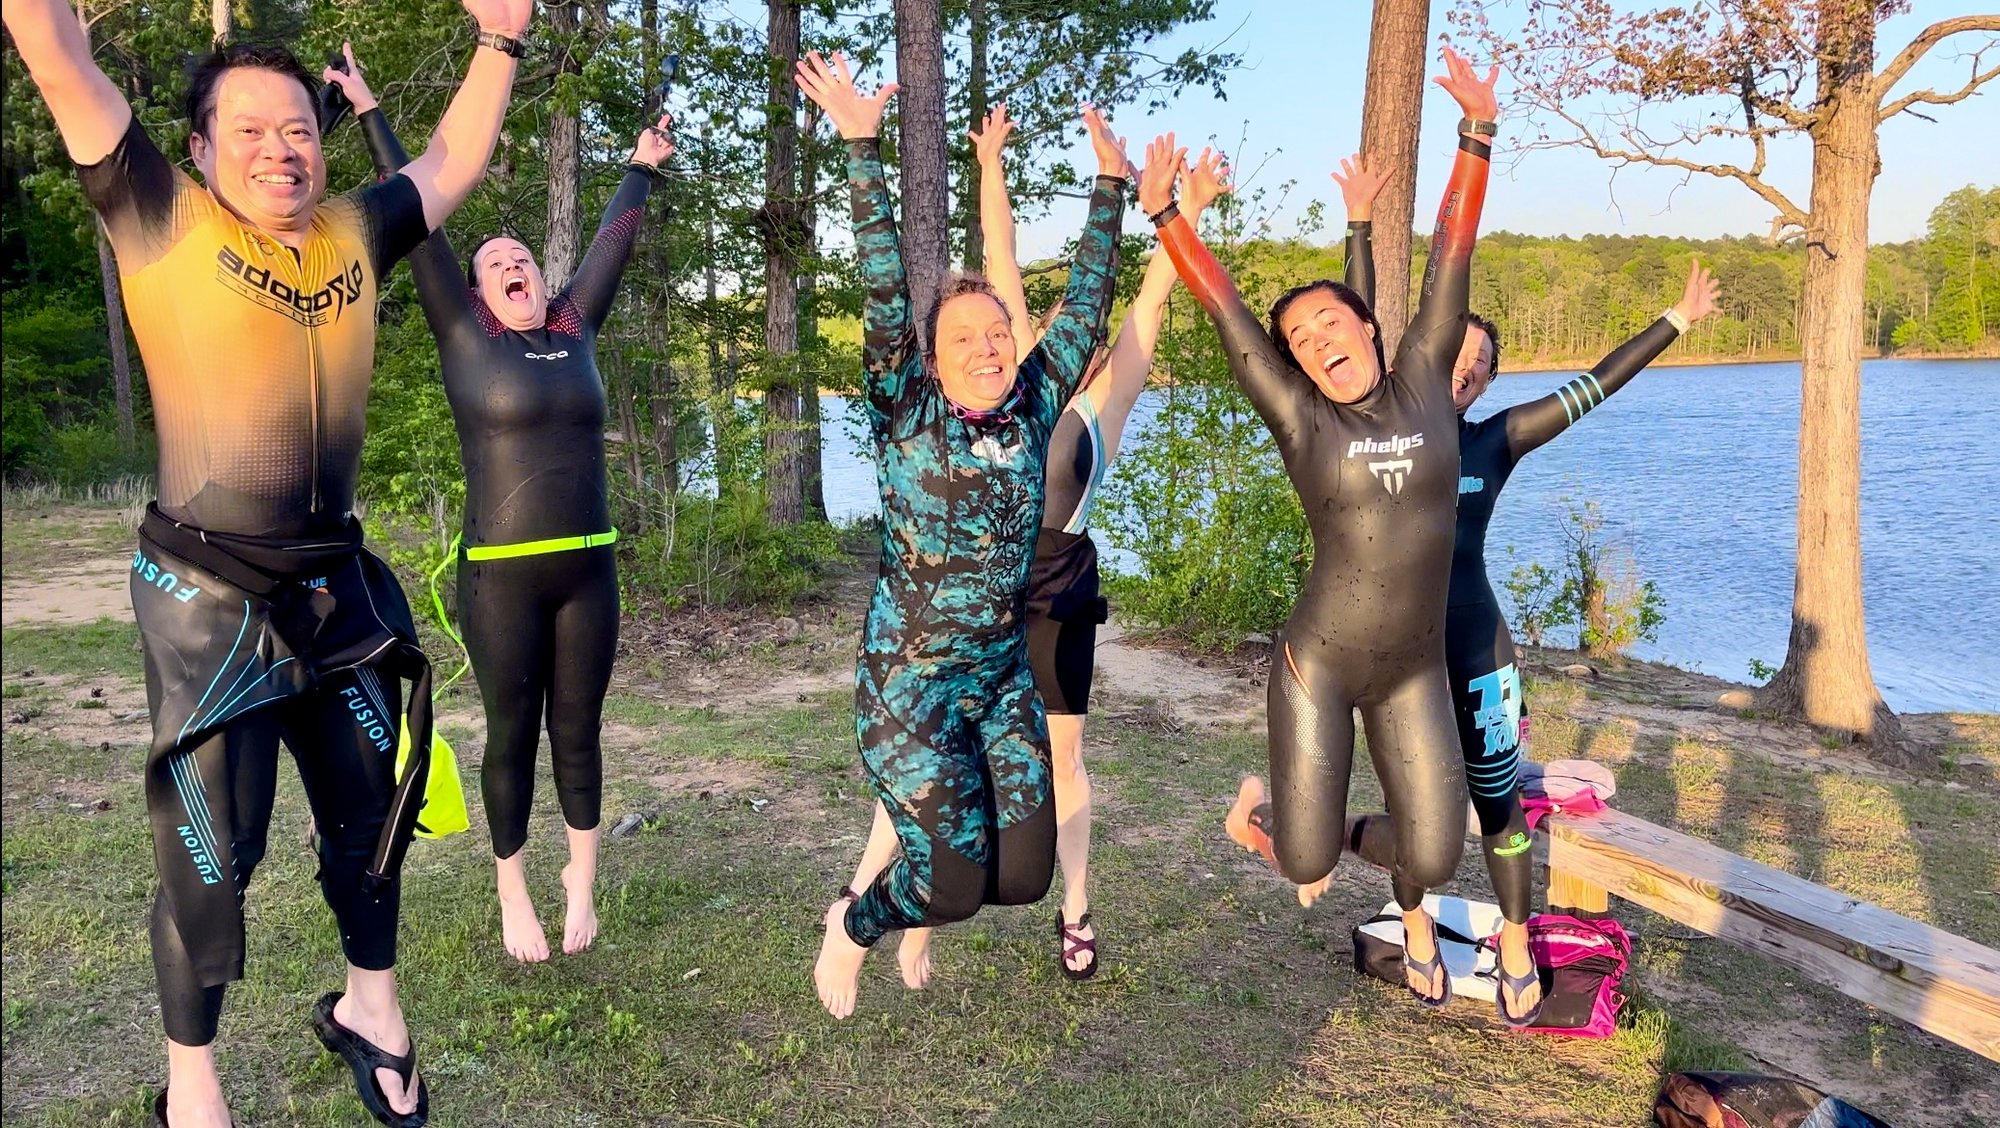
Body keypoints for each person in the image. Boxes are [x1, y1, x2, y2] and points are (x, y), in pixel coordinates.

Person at [2, 2, 530, 1124]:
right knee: (217, 847)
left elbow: (451, 158)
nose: (278, 149)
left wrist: (500, 40)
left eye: (296, 128)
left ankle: (370, 1010)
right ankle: (192, 1083)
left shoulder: (353, 230)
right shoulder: (161, 215)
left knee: (367, 809)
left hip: (333, 583)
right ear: (196, 148)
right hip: (205, 593)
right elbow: (55, 56)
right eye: (247, 130)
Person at [1148, 46, 1501, 1012]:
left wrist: (1477, 131)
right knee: (1295, 856)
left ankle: (1349, 836)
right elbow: (1226, 312)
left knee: (1434, 852)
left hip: (1414, 667)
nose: (1315, 343)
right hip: (1321, 660)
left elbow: (1452, 257)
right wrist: (1167, 213)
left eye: (1329, 325)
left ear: (1371, 327)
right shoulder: (1303, 423)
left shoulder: (1430, 377)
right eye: (1298, 341)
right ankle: (1269, 814)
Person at [793, 49, 1130, 1019]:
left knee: (1018, 880)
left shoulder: (1030, 407)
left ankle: (929, 878)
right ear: (930, 363)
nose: (986, 349)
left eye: (995, 334)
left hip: (996, 678)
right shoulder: (905, 406)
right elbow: (882, 287)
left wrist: (1108, 181)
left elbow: (1090, 300)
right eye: (963, 340)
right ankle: (853, 925)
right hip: (908, 687)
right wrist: (861, 144)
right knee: (944, 884)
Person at [330, 47, 673, 965]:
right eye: (495, 261)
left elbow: (611, 241)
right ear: (478, 291)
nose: (511, 262)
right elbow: (421, 219)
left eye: (521, 255)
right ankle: (514, 889)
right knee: (513, 734)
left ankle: (582, 879)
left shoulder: (573, 326)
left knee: (580, 730)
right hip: (501, 579)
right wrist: (369, 110)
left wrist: (641, 162)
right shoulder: (462, 332)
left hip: (590, 568)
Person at [1339, 258, 1721, 1024]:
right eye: (1456, 356)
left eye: (1480, 369)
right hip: (1398, 661)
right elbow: (1358, 323)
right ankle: (1415, 926)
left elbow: (1592, 389)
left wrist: (1675, 321)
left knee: (1498, 802)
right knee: (1414, 808)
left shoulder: (1496, 442)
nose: (1465, 372)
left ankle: (1517, 942)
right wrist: (1358, 227)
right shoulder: (1372, 433)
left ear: (1483, 386)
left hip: (1478, 647)